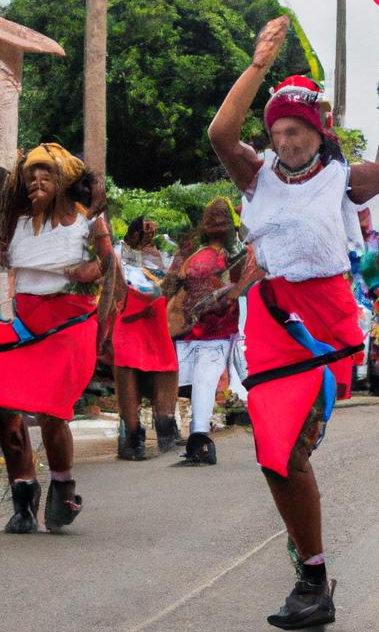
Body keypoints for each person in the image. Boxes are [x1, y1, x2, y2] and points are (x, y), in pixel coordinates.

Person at [209, 16, 379, 630]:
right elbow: (221, 132)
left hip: (323, 328)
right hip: (267, 323)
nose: (288, 141)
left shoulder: (342, 181)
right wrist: (259, 64)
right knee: (273, 453)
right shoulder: (257, 175)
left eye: (298, 130)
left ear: (318, 133)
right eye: (280, 131)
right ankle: (312, 577)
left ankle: (312, 577)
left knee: (289, 451)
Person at [0, 143, 114, 533]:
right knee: (3, 406)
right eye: (30, 174)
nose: (36, 180)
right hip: (24, 319)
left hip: (70, 322)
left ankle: (63, 487)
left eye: (44, 172)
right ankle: (23, 493)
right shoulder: (12, 223)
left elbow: (108, 267)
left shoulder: (87, 221)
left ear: (63, 176)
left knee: (52, 410)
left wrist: (90, 273)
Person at [163, 198, 244, 466]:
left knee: (208, 381)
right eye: (212, 218)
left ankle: (200, 439)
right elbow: (172, 284)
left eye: (221, 219)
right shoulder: (198, 253)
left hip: (219, 328)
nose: (215, 223)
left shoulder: (234, 252)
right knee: (202, 382)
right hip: (196, 329)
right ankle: (199, 439)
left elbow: (239, 285)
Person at [112, 216, 179, 459]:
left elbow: (166, 282)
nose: (151, 233)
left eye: (153, 229)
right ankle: (132, 437)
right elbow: (119, 279)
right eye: (145, 229)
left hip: (155, 319)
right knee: (128, 370)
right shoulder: (119, 250)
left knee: (165, 369)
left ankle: (166, 430)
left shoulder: (158, 252)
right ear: (134, 232)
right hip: (129, 317)